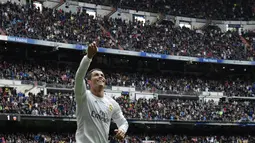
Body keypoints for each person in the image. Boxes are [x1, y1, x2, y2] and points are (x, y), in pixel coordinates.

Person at [74, 42, 129, 143]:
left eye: (102, 75)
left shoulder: (112, 103)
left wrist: (122, 130)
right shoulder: (83, 96)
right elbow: (79, 77)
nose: (100, 76)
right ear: (89, 81)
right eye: (96, 75)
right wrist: (88, 57)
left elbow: (123, 122)